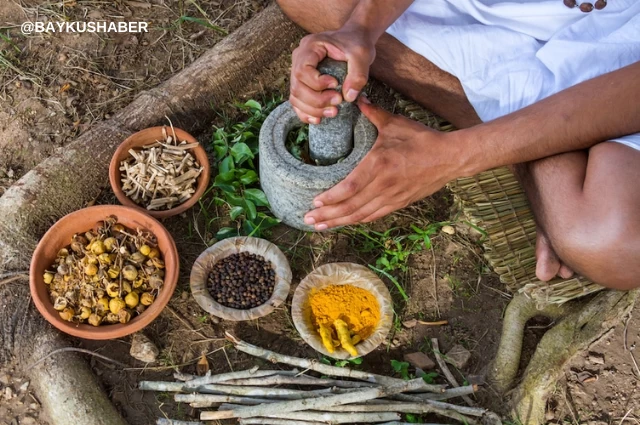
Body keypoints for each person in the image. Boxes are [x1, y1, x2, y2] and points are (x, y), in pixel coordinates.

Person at [276, 0, 640, 290]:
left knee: (611, 245)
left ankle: (523, 143)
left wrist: (454, 156)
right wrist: (360, 28)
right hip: (492, 23)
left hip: (623, 42)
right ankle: (528, 148)